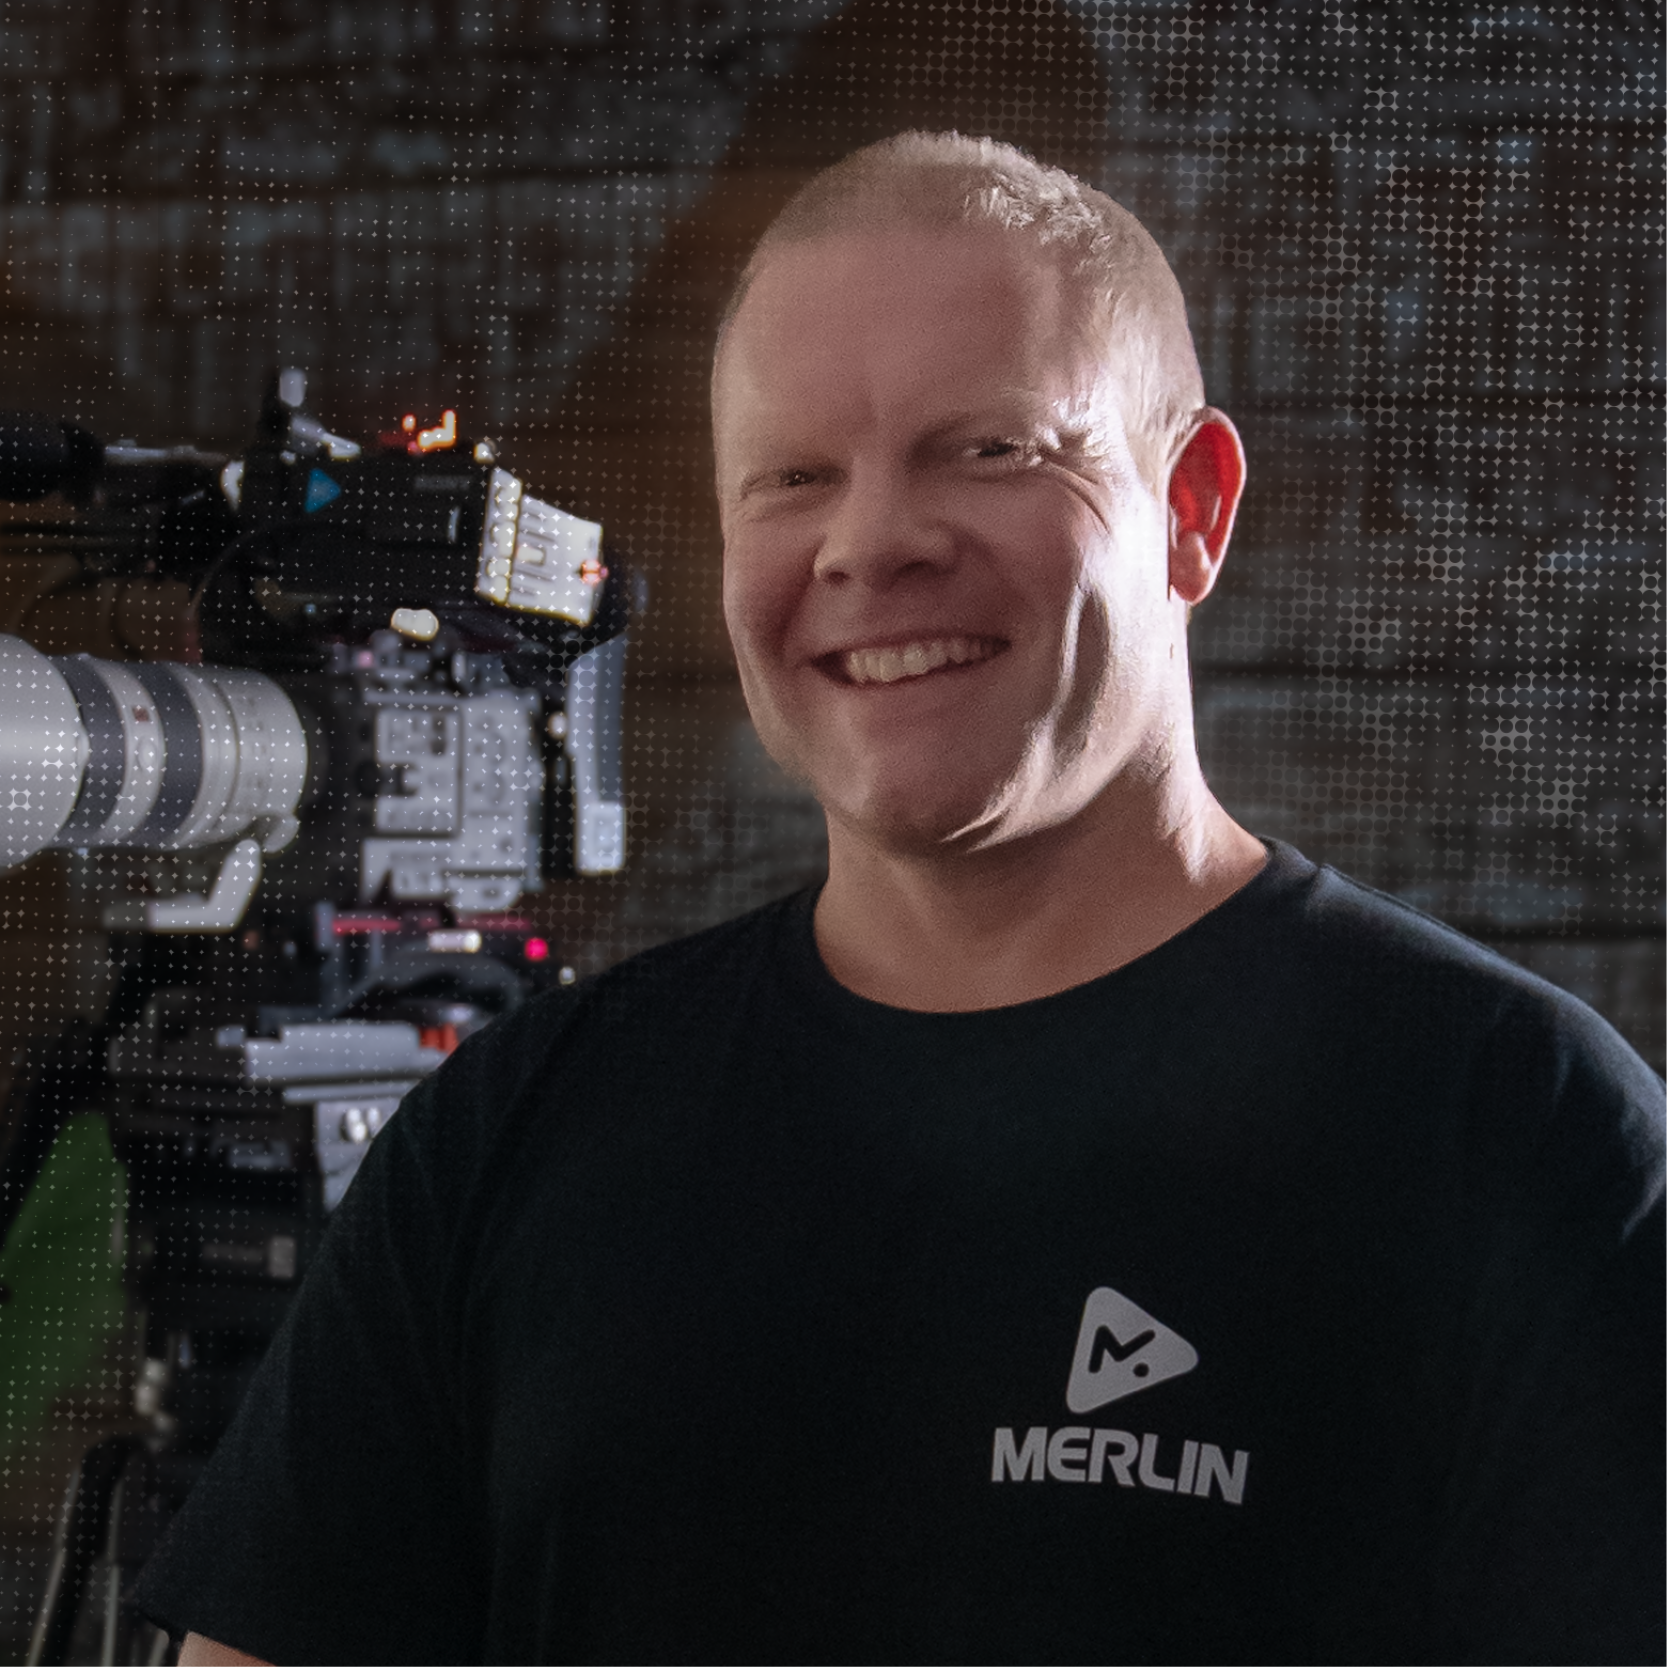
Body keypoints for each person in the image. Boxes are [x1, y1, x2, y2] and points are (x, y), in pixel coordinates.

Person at [139, 133, 1663, 1666]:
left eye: (989, 448)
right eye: (795, 476)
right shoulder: (513, 1134)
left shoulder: (1509, 1133)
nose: (870, 543)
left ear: (1191, 505)